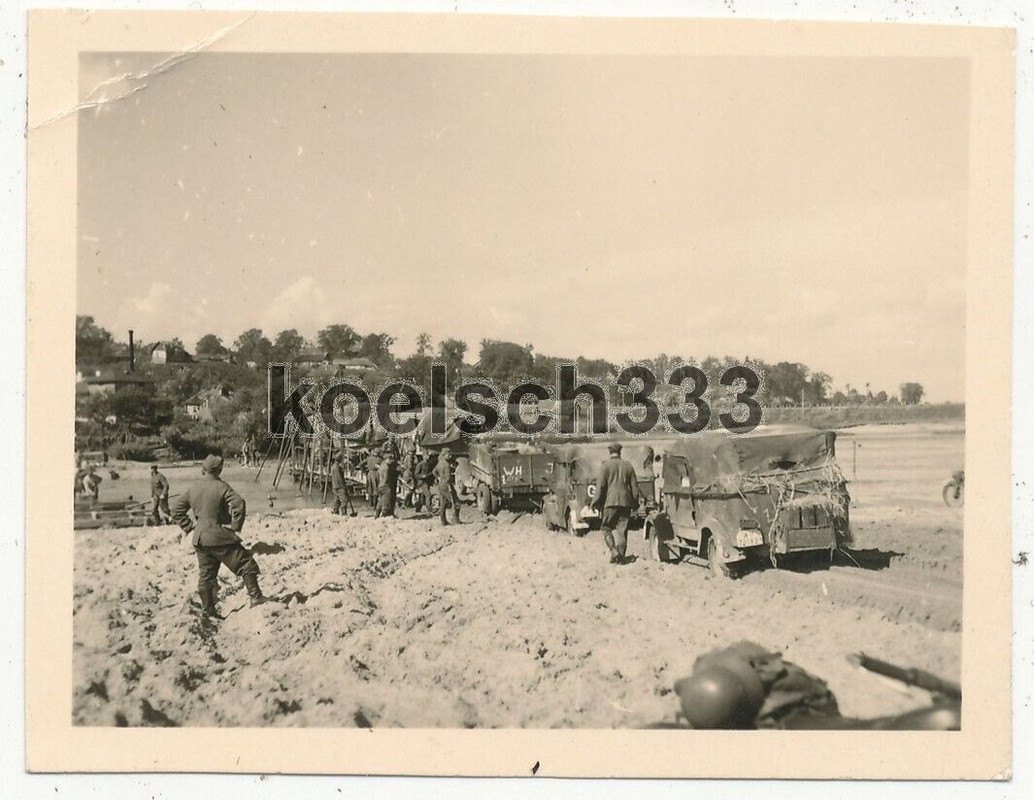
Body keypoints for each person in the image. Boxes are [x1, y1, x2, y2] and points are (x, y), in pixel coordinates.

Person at [170, 454, 267, 618]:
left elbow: (176, 510)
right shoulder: (222, 486)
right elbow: (239, 503)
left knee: (206, 575)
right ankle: (256, 598)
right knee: (246, 564)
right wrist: (235, 526)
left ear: (203, 470)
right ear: (220, 470)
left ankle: (208, 610)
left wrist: (189, 526)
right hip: (219, 535)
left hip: (200, 538)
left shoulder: (193, 488)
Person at [594, 442, 641, 564]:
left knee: (606, 528)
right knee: (622, 531)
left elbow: (600, 487)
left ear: (610, 452)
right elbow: (635, 488)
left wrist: (595, 502)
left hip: (610, 502)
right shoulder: (628, 466)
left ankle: (613, 551)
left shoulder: (605, 466)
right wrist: (635, 504)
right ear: (620, 452)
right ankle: (621, 558)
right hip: (625, 503)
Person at [433, 447, 462, 526]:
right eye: (449, 454)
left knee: (443, 503)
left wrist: (439, 478)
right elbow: (448, 477)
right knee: (456, 502)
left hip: (440, 485)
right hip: (446, 485)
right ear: (445, 455)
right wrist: (450, 487)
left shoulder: (440, 463)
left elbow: (434, 472)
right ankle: (455, 520)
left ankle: (443, 521)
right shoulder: (447, 465)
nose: (450, 456)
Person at [375, 452, 399, 519]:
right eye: (390, 459)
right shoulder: (386, 467)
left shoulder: (381, 466)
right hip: (385, 486)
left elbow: (377, 476)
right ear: (387, 459)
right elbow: (386, 478)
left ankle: (376, 515)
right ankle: (385, 515)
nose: (391, 461)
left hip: (380, 485)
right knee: (386, 501)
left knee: (380, 501)